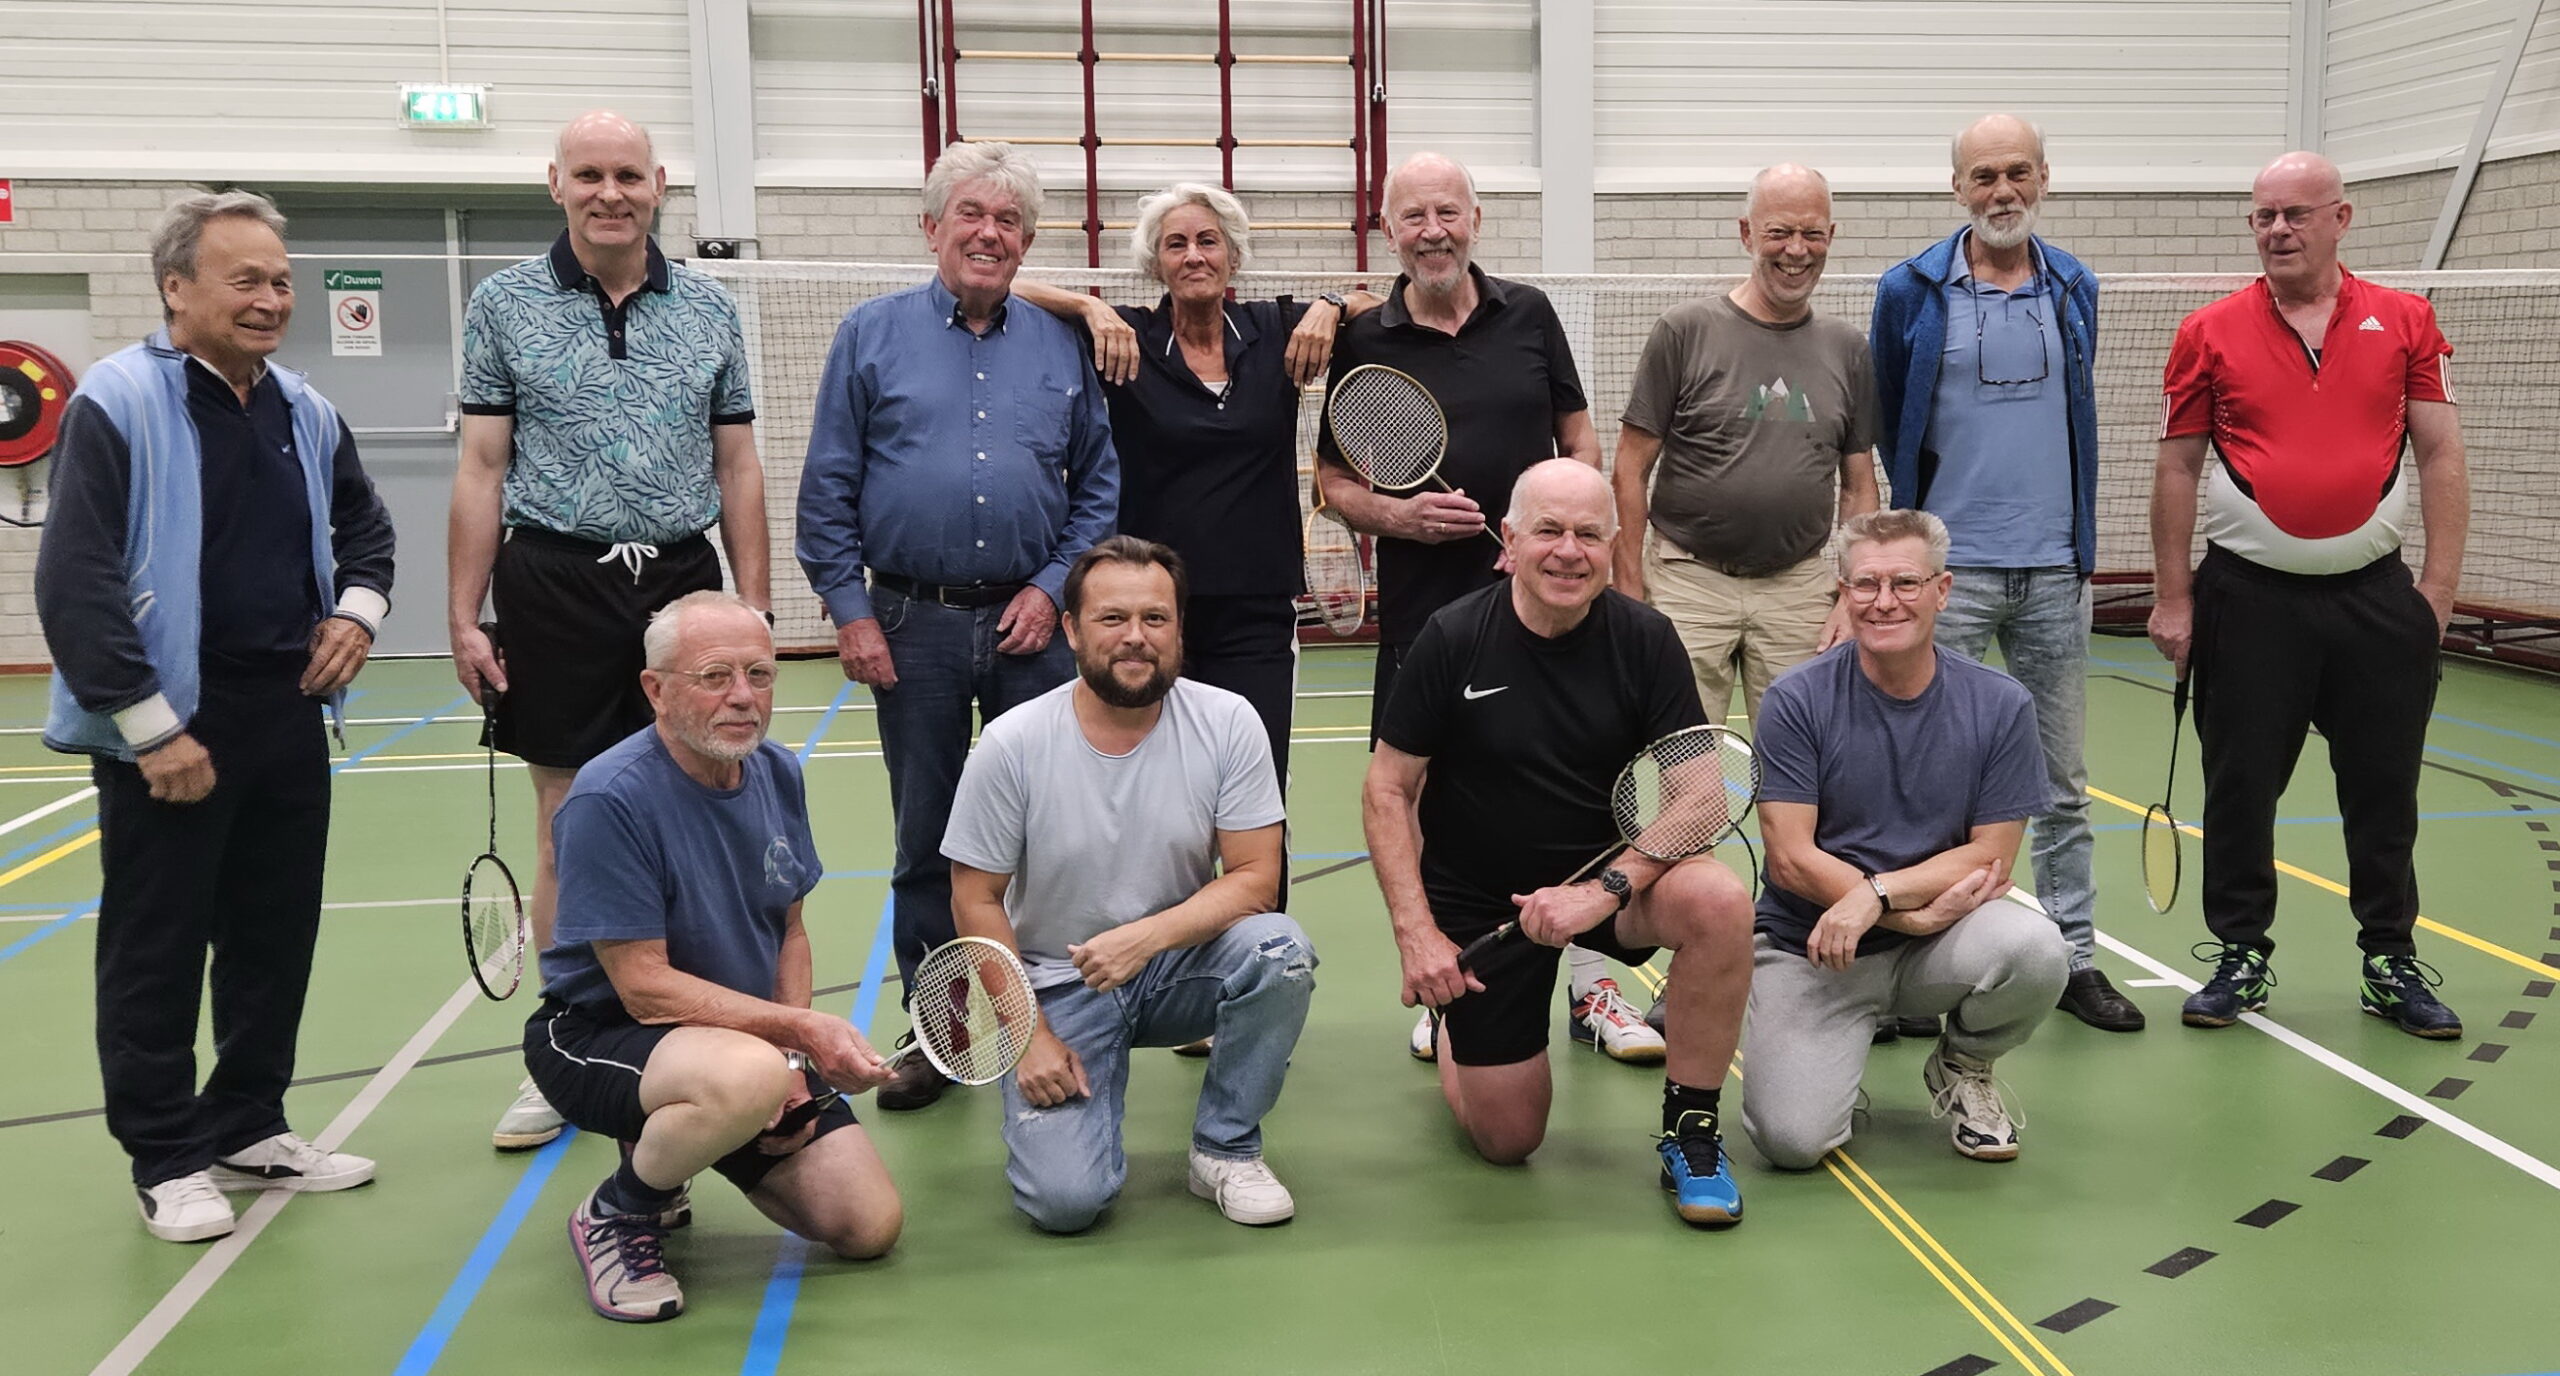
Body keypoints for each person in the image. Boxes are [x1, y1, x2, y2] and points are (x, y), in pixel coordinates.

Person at [35, 191, 396, 1242]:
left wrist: (357, 616)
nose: (272, 298)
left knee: (272, 933)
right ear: (177, 288)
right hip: (171, 725)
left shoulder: (303, 406)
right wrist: (152, 727)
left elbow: (366, 528)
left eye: (281, 280)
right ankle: (165, 1153)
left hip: (285, 712)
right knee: (156, 942)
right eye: (246, 279)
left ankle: (249, 1122)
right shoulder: (116, 399)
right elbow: (77, 581)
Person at [451, 110, 772, 1150]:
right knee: (565, 816)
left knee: (698, 808)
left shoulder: (710, 310)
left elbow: (737, 467)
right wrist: (462, 613)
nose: (609, 192)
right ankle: (569, 1047)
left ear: (660, 184)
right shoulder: (502, 303)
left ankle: (697, 1032)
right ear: (556, 183)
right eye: (588, 173)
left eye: (627, 173)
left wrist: (753, 611)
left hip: (679, 576)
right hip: (554, 582)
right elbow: (483, 467)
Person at [798, 141, 1120, 1110]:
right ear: (931, 227)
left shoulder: (1060, 345)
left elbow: (1097, 483)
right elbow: (827, 487)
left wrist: (1053, 583)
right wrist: (851, 611)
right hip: (912, 626)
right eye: (970, 215)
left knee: (1048, 831)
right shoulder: (869, 335)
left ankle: (1058, 1015)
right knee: (929, 840)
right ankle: (942, 1034)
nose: (989, 233)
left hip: (1033, 626)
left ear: (1028, 241)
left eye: (1009, 221)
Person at [1313, 153, 1648, 1064]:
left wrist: (1582, 540)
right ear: (1389, 233)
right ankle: (1447, 971)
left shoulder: (1529, 314)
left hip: (1558, 593)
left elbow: (1578, 437)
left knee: (1590, 774)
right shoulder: (1363, 337)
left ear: (1476, 219)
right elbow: (1332, 481)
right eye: (1413, 216)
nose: (1433, 231)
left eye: (1447, 212)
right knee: (1420, 790)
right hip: (1432, 607)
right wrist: (1399, 515)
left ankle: (1595, 984)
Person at [1362, 460, 1756, 1226]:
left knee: (1717, 899)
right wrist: (1419, 935)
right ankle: (1456, 1028)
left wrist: (1605, 889)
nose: (1568, 551)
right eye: (1548, 531)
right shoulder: (1453, 637)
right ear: (1509, 541)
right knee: (1508, 1140)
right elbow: (1387, 789)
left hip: (1603, 886)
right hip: (1483, 901)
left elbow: (1703, 795)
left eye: (1587, 534)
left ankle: (1691, 1131)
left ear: (1613, 546)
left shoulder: (1645, 640)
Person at [2149, 151, 2471, 1039]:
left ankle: (2389, 959)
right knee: (2240, 785)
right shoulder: (2207, 331)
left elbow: (2440, 453)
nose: (2278, 231)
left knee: (2383, 789)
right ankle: (2241, 955)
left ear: (2342, 218)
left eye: (2296, 214)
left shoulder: (2407, 321)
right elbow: (2178, 467)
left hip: (2376, 604)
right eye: (2263, 217)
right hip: (2246, 603)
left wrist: (2435, 591)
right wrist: (2175, 598)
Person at [523, 591, 902, 1323]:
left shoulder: (778, 772)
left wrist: (792, 1066)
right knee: (747, 1072)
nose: (742, 698)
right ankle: (620, 1210)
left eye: (759, 675)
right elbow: (643, 989)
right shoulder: (609, 798)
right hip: (601, 1037)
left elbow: (789, 929)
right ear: (656, 690)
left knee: (867, 1225)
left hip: (737, 1049)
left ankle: (686, 1140)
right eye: (715, 676)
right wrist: (791, 1041)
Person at [943, 537, 1313, 1232]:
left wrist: (1144, 940)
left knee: (1279, 949)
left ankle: (1225, 1149)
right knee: (1065, 1205)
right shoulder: (1013, 743)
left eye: (1156, 619)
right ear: (1073, 630)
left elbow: (1258, 879)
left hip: (1177, 965)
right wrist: (1028, 1036)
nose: (1136, 638)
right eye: (1113, 619)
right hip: (1058, 984)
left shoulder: (1229, 722)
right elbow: (975, 898)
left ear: (1179, 630)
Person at [1867, 116, 2140, 1034]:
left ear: (2045, 179)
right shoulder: (1907, 290)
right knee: (1926, 778)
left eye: (2017, 172)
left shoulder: (2075, 285)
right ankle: (1917, 959)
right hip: (1948, 575)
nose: (2001, 191)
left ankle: (2074, 959)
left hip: (2055, 571)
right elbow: (1889, 417)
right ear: (1957, 187)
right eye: (1983, 175)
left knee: (2061, 782)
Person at [1016, 183, 1377, 794]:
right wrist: (1088, 306)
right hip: (1152, 617)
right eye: (1175, 244)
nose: (1193, 256)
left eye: (1208, 241)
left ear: (1231, 255)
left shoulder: (1277, 330)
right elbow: (1011, 290)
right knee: (1151, 794)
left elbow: (1381, 303)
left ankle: (1261, 895)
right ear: (1156, 263)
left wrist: (1333, 302)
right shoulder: (1124, 340)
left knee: (1254, 791)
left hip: (1256, 615)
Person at [1739, 509, 2069, 1170]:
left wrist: (1878, 897)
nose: (1884, 601)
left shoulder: (2000, 704)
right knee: (1793, 1143)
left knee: (2036, 948)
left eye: (1905, 584)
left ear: (1941, 591)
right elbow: (1791, 857)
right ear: (1844, 593)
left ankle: (1964, 1065)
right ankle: (1829, 1064)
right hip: (1817, 948)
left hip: (1943, 941)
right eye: (1865, 585)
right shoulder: (1795, 700)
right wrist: (1906, 915)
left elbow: (1991, 855)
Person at [1611, 164, 1879, 733]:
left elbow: (1859, 485)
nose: (1796, 251)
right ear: (1746, 233)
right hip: (1687, 586)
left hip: (1799, 590)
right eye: (1779, 232)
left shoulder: (1848, 349)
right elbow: (1630, 468)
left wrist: (1851, 594)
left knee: (1804, 770)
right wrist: (1629, 586)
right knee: (1687, 765)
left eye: (1812, 234)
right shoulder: (1683, 331)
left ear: (1832, 236)